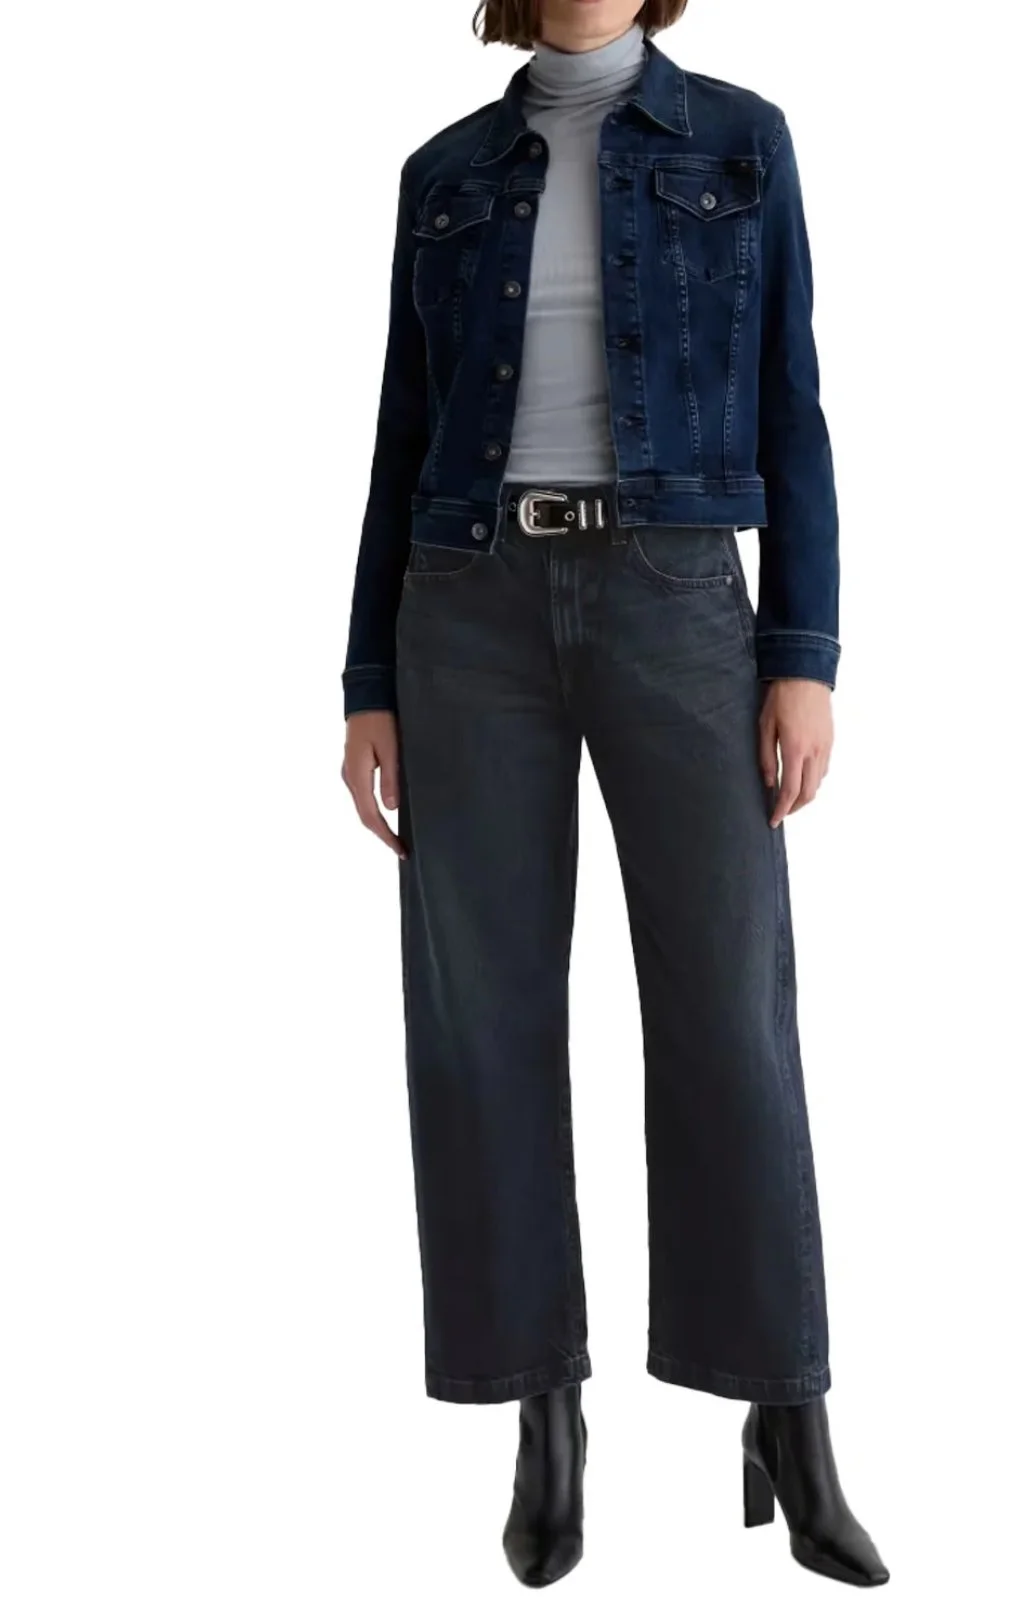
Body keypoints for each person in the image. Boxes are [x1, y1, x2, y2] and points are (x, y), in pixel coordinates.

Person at [340, 1, 888, 1587]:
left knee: (726, 1012)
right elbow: (399, 434)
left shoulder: (739, 138)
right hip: (465, 611)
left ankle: (784, 1412)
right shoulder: (446, 170)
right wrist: (366, 678)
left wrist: (801, 650)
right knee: (484, 1024)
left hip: (675, 598)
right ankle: (544, 1413)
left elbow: (790, 398)